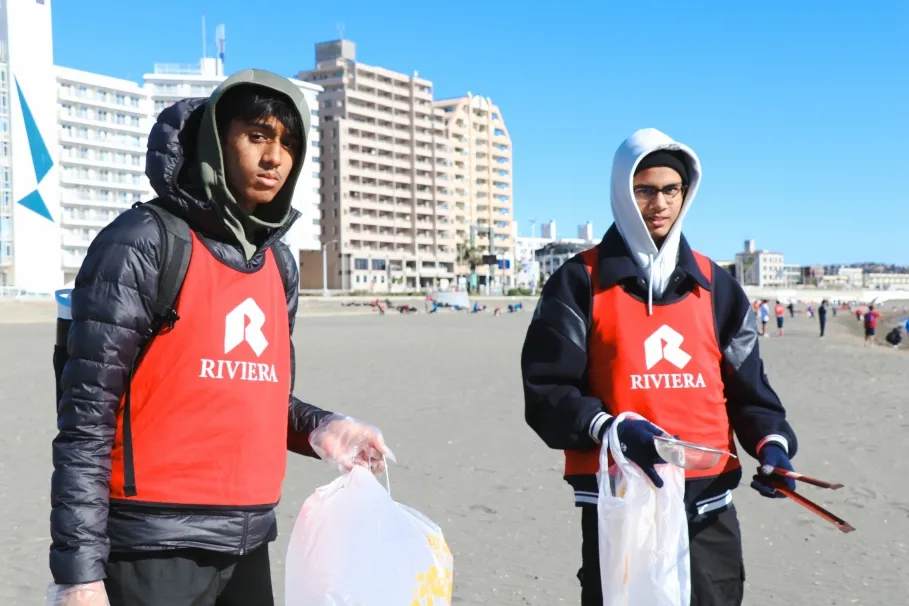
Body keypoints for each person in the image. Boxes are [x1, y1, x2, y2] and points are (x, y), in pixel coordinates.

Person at [48, 71, 391, 606]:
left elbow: (253, 393)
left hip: (248, 543)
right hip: (152, 547)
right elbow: (86, 419)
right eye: (257, 136)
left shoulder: (277, 264)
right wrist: (78, 575)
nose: (275, 157)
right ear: (216, 141)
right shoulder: (143, 242)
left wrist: (322, 428)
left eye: (288, 144)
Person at [521, 128, 799, 606]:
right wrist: (610, 429)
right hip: (621, 500)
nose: (659, 203)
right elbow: (547, 392)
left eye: (672, 190)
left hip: (708, 498)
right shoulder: (577, 282)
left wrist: (771, 447)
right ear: (622, 192)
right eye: (644, 189)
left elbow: (750, 390)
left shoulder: (718, 286)